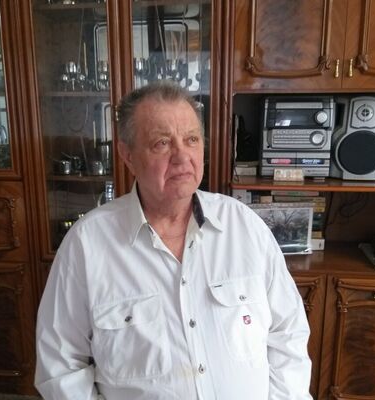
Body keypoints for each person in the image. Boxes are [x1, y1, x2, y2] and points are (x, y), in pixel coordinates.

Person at [35, 80, 312, 400]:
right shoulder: (86, 245)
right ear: (127, 155)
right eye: (162, 143)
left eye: (192, 139)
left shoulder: (244, 227)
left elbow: (287, 335)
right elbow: (60, 365)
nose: (182, 157)